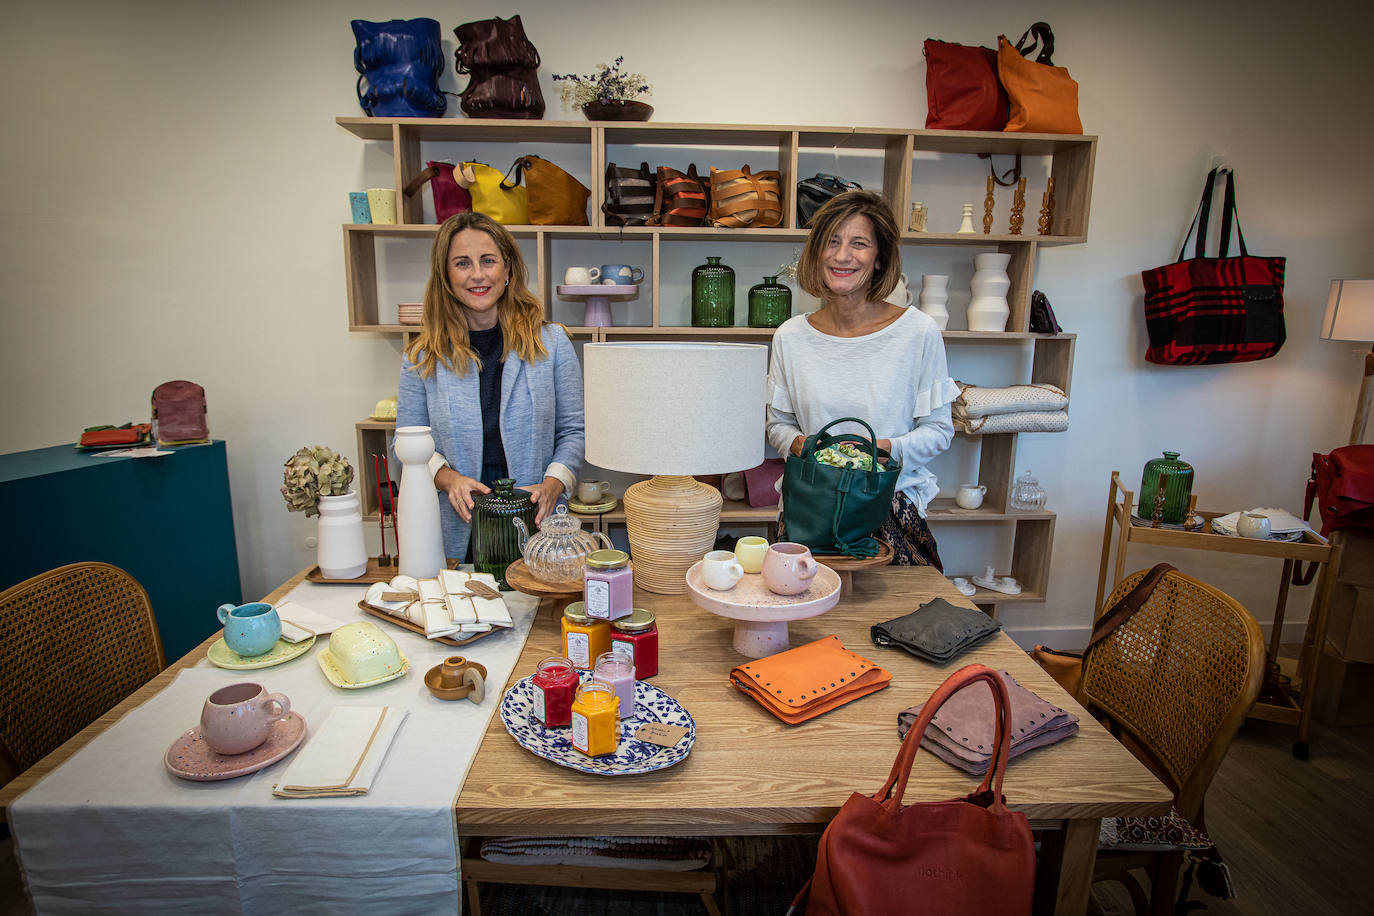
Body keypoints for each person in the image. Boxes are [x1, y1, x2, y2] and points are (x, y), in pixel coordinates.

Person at [765, 190, 957, 568]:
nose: (841, 256)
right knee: (809, 624)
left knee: (897, 624)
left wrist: (876, 452)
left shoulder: (918, 332)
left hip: (889, 508)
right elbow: (778, 426)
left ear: (880, 258)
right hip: (809, 512)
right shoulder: (790, 336)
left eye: (858, 244)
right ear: (817, 252)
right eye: (832, 241)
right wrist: (808, 447)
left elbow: (939, 431)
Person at [397, 211, 584, 560]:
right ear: (446, 275)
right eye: (462, 263)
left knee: (536, 611)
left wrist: (553, 484)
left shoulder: (552, 342)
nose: (478, 274)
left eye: (488, 261)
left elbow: (574, 431)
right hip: (459, 519)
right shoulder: (422, 356)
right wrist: (448, 479)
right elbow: (406, 442)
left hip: (536, 517)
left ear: (508, 269)